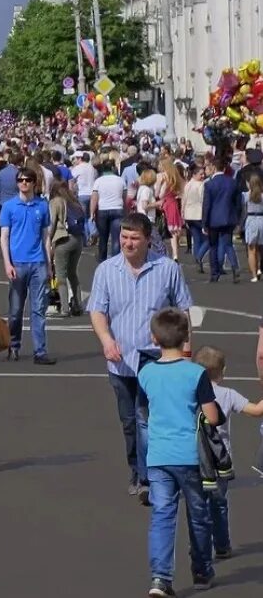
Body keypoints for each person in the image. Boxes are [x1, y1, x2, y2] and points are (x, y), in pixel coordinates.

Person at [88, 212, 193, 505]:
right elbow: (97, 311)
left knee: (148, 419)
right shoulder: (107, 270)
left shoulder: (167, 269)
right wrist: (106, 340)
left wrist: (185, 351)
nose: (128, 243)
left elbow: (183, 310)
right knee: (128, 422)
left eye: (134, 237)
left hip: (155, 359)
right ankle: (136, 469)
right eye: (124, 236)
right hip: (120, 360)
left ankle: (150, 479)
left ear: (148, 239)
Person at [138, 308, 219, 597]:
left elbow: (144, 410)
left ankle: (160, 577)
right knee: (198, 514)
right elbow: (211, 416)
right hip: (189, 456)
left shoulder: (146, 373)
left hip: (159, 456)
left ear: (154, 338)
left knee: (162, 515)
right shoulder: (196, 373)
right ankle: (201, 569)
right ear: (186, 337)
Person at [191, 345, 263, 560]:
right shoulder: (228, 394)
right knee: (219, 503)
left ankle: (200, 547)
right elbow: (256, 411)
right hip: (220, 460)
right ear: (222, 371)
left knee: (197, 505)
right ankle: (222, 545)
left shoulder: (190, 392)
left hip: (194, 457)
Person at [0, 167, 55, 365]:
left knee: (38, 309)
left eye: (28, 180)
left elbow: (46, 237)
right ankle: (13, 345)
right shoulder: (9, 206)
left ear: (34, 183)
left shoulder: (42, 205)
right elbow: (4, 237)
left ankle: (40, 351)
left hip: (38, 262)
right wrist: (7, 262)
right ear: (17, 182)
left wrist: (49, 264)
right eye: (21, 180)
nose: (24, 183)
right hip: (18, 263)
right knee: (15, 311)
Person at [202, 156, 242, 283]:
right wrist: (237, 217)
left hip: (213, 218)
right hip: (228, 217)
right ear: (225, 168)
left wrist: (204, 223)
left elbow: (206, 205)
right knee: (228, 244)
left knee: (213, 246)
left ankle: (215, 273)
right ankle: (235, 268)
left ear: (214, 168)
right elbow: (238, 202)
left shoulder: (209, 184)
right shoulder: (232, 182)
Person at [48, 180, 85, 317]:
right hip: (78, 239)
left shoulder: (56, 202)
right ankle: (78, 304)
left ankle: (64, 308)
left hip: (63, 239)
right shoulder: (74, 201)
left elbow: (52, 223)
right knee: (72, 273)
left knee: (61, 275)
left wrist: (49, 241)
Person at [91, 159, 127, 263]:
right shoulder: (120, 180)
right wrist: (126, 210)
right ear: (113, 168)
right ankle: (115, 260)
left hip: (103, 209)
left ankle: (102, 260)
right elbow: (124, 197)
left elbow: (94, 198)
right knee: (116, 238)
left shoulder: (98, 181)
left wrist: (92, 212)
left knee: (103, 237)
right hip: (118, 208)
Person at [182, 163, 208, 274]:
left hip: (189, 215)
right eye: (201, 174)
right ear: (194, 174)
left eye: (203, 174)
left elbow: (184, 200)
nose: (203, 176)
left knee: (197, 239)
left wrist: (183, 214)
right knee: (208, 239)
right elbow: (203, 201)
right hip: (198, 214)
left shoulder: (187, 185)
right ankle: (199, 256)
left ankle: (198, 261)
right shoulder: (201, 185)